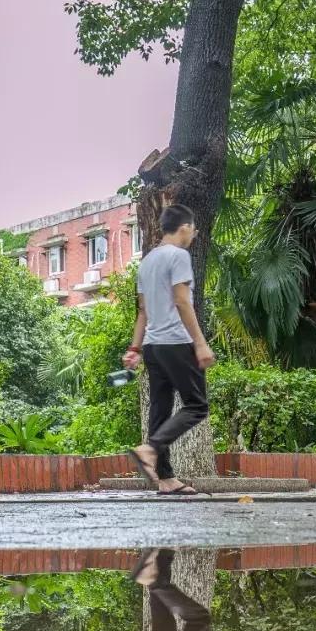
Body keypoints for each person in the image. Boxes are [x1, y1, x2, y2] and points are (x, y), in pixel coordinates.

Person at [123, 205, 214, 497]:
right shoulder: (179, 256)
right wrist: (199, 342)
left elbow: (142, 310)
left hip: (152, 346)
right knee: (197, 405)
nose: (193, 235)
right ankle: (150, 450)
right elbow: (182, 301)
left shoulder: (147, 261)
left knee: (160, 411)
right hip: (176, 342)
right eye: (193, 230)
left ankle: (165, 478)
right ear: (185, 227)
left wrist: (135, 347)